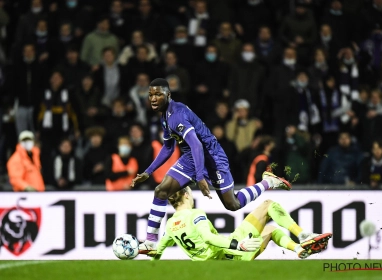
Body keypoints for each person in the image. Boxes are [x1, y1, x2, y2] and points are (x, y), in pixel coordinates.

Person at [131, 78, 292, 250]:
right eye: (150, 95)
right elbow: (168, 147)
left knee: (233, 204)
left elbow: (197, 144)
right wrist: (148, 171)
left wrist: (200, 176)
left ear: (168, 94)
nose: (153, 99)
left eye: (158, 94)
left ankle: (269, 182)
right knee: (161, 191)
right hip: (191, 157)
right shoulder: (165, 116)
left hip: (212, 156)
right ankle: (150, 242)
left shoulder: (177, 115)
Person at [146, 186, 332, 261]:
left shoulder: (170, 225)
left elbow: (157, 252)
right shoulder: (195, 214)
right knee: (268, 205)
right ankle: (302, 235)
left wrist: (141, 249)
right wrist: (239, 245)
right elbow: (209, 238)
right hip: (232, 253)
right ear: (186, 194)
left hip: (218, 263)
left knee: (271, 229)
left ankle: (299, 249)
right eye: (190, 191)